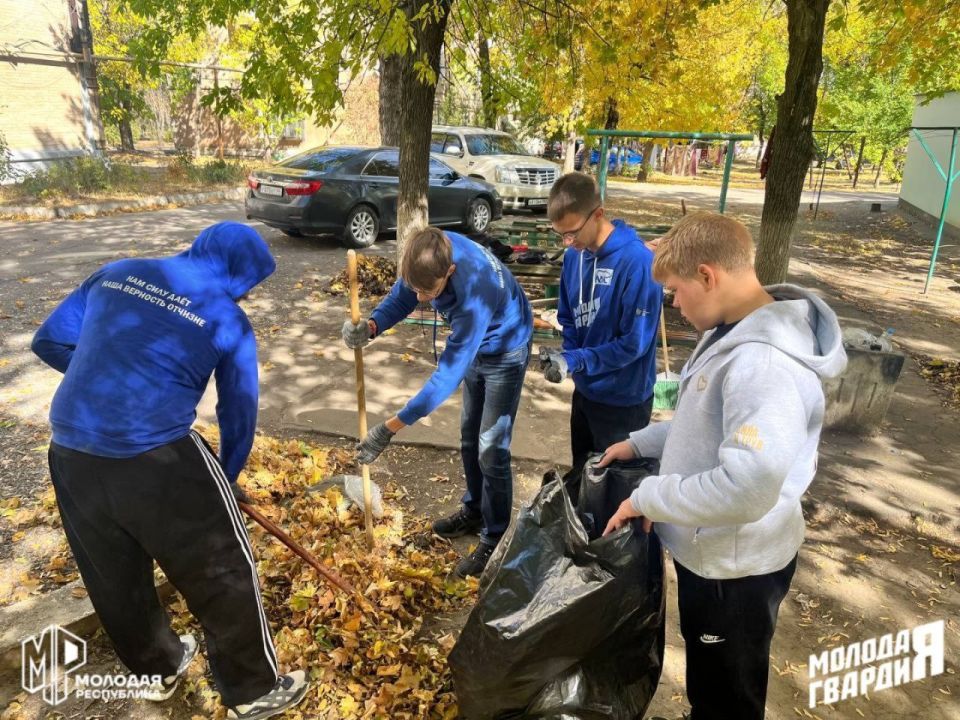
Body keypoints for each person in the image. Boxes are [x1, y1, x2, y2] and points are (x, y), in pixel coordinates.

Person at [32, 222, 308, 720]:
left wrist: (107, 386)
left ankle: (157, 669)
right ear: (240, 273)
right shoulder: (227, 319)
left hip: (71, 447)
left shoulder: (117, 273)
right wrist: (226, 478)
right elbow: (237, 414)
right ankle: (253, 690)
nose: (247, 293)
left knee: (113, 572)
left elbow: (49, 341)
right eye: (250, 282)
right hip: (156, 453)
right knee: (223, 569)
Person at [600, 212, 847, 719]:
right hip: (712, 551)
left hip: (734, 571)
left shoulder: (764, 365)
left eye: (675, 290)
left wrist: (648, 497)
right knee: (711, 679)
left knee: (728, 694)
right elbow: (710, 425)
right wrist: (641, 442)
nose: (672, 303)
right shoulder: (733, 328)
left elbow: (746, 487)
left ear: (708, 276)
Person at [342, 227, 532, 577]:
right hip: (476, 345)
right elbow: (403, 297)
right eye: (417, 288)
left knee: (491, 448)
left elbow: (445, 378)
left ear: (451, 272)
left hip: (506, 348)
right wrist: (372, 326)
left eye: (428, 292)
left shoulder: (474, 293)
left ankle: (495, 536)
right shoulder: (425, 254)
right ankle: (474, 510)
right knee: (467, 437)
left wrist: (389, 428)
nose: (422, 297)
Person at [540, 172, 662, 491]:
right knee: (585, 480)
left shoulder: (637, 262)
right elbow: (568, 317)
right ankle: (585, 539)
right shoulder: (574, 257)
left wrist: (577, 360)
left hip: (625, 401)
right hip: (586, 393)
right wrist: (566, 358)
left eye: (573, 233)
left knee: (617, 490)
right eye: (561, 235)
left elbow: (634, 344)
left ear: (598, 214)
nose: (568, 243)